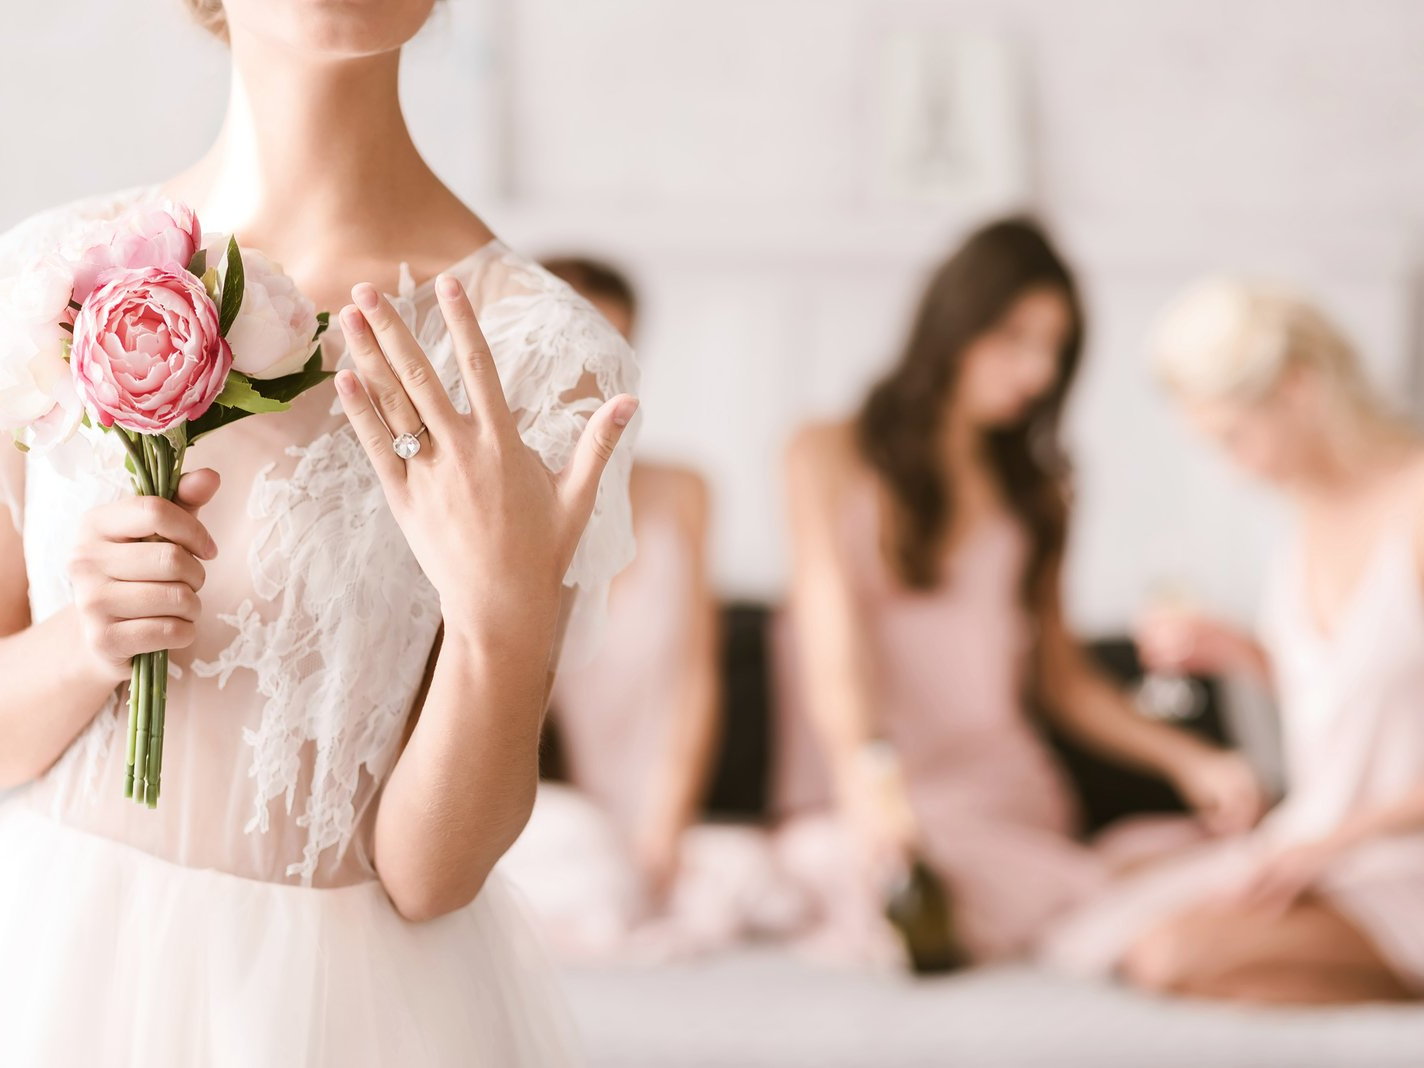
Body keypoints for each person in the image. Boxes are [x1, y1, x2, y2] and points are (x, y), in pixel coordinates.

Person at [0, 1, 639, 1063]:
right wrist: (85, 639)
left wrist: (501, 626)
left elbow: (431, 876)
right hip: (52, 970)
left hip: (337, 1012)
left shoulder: (540, 356)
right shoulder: (39, 284)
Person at [773, 219, 1263, 965]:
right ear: (955, 322)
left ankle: (1093, 890)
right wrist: (872, 788)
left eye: (1055, 351)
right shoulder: (824, 451)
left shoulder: (1039, 494)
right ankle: (1099, 890)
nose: (1036, 372)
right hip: (861, 786)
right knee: (826, 866)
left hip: (998, 791)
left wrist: (1190, 760)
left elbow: (1062, 678)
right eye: (1014, 338)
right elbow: (829, 641)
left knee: (932, 891)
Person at [1044, 280, 1424, 1005]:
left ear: (1297, 389)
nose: (1233, 467)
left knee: (1170, 957)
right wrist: (1241, 653)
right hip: (1326, 843)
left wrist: (1334, 842)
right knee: (1096, 918)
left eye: (1233, 437)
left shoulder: (1415, 508)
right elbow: (1360, 701)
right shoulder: (1305, 516)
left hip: (1395, 854)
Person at [501, 258, 785, 959]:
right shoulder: (499, 501)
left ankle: (633, 885)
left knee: (755, 875)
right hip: (545, 813)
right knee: (584, 862)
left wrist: (664, 826)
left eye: (614, 351)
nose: (594, 375)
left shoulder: (684, 491)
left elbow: (695, 679)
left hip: (657, 811)